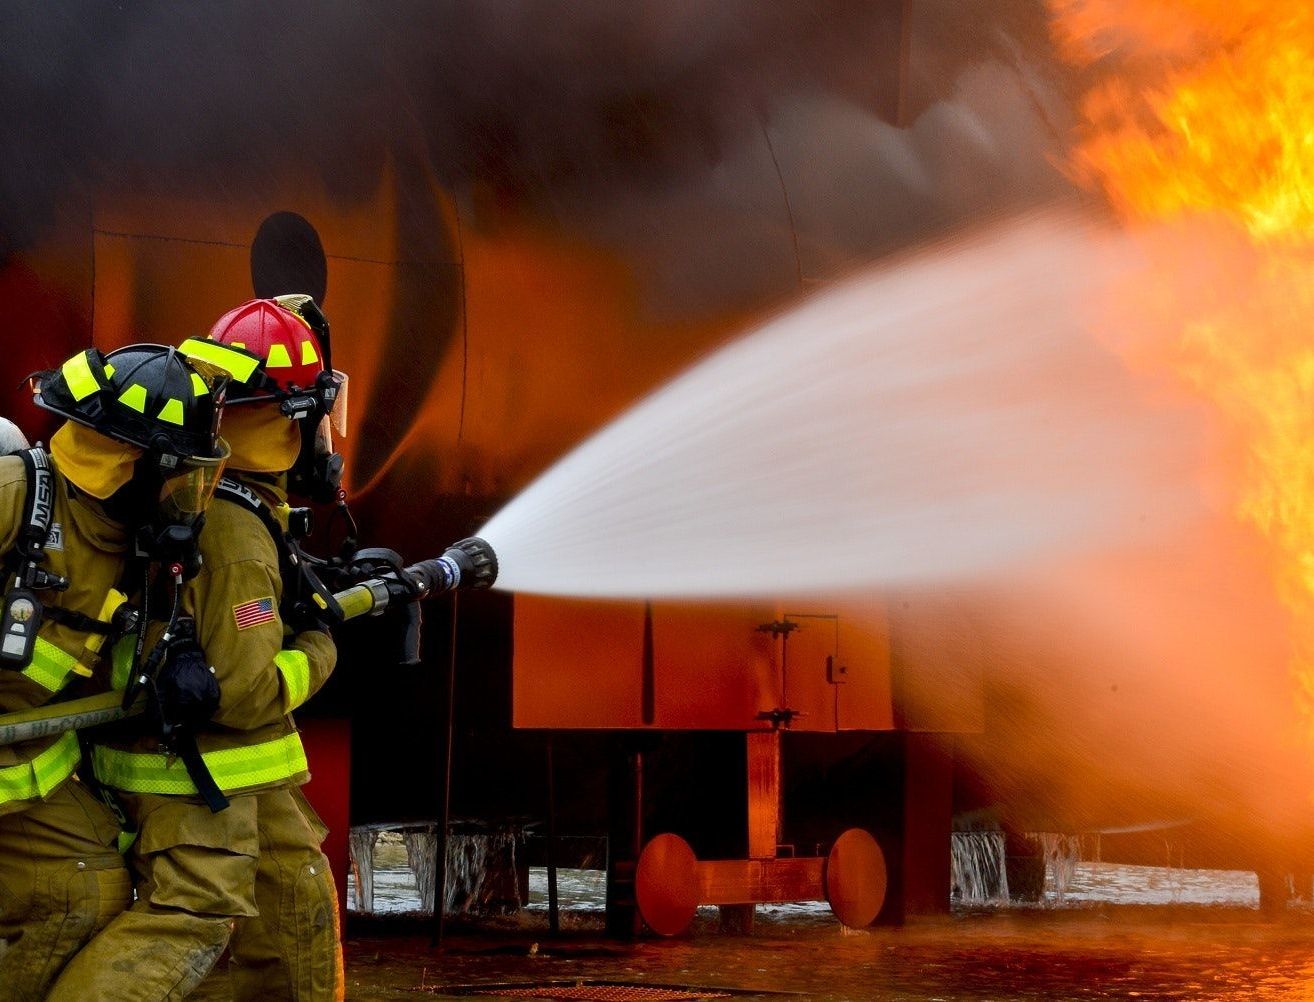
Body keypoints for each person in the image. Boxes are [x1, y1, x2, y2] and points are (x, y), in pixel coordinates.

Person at [54, 297, 346, 1001]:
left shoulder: (206, 493)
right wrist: (321, 645)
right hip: (197, 773)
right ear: (295, 416)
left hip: (220, 771)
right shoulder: (237, 531)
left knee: (293, 900)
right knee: (190, 922)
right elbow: (246, 690)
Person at [0, 343, 229, 1001]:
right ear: (131, 464)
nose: (187, 498)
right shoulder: (13, 497)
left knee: (89, 888)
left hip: (24, 759)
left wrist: (176, 657)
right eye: (179, 476)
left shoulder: (133, 539)